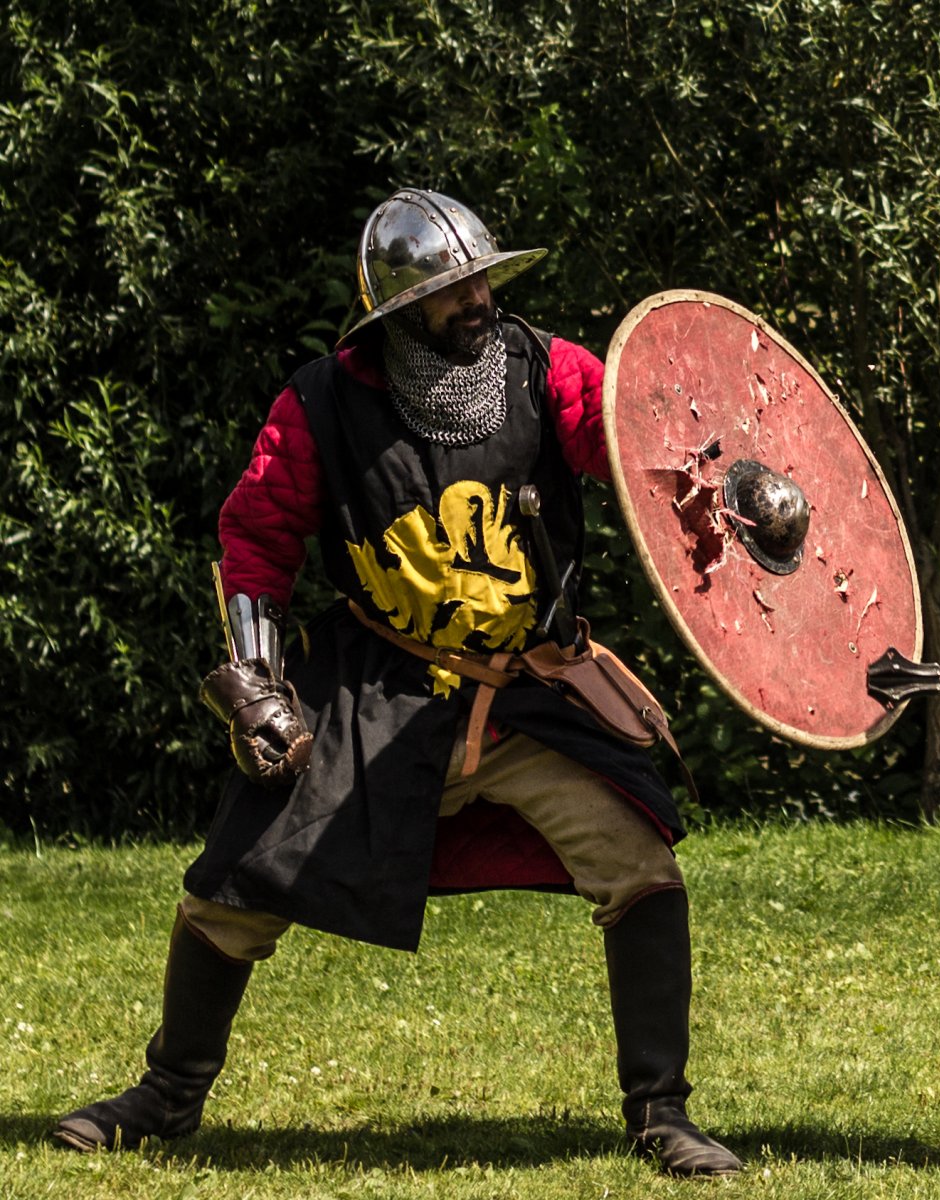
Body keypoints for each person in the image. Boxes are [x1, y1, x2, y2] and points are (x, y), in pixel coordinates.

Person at [51, 189, 744, 1177]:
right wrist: (257, 681)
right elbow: (256, 537)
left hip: (530, 684)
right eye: (453, 291)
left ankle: (659, 1112)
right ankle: (168, 1096)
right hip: (371, 689)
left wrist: (709, 479)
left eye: (482, 283)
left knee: (638, 861)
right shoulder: (322, 405)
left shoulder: (549, 372)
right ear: (395, 313)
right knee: (232, 885)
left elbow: (637, 454)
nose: (477, 302)